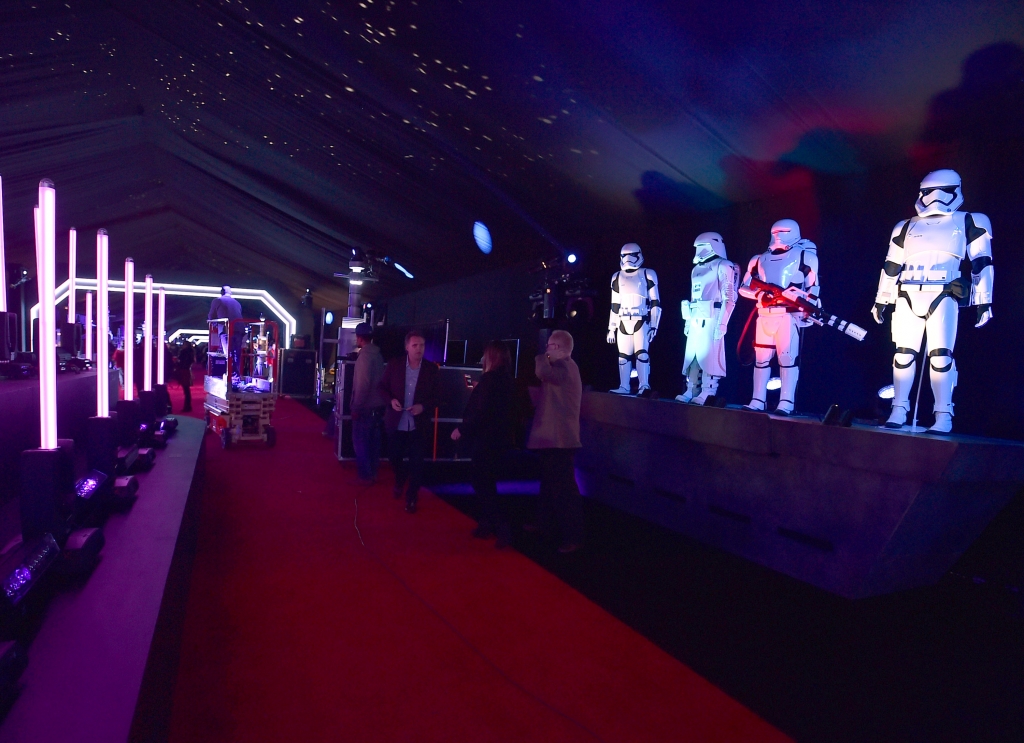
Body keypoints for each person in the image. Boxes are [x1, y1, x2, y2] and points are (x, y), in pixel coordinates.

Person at [451, 341, 516, 548]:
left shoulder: (488, 380)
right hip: (501, 440)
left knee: (482, 483)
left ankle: (501, 527)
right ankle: (487, 524)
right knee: (487, 482)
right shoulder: (507, 380)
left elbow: (480, 412)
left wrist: (462, 429)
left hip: (486, 440)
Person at [527, 330, 584, 553]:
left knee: (563, 490)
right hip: (558, 438)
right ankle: (545, 525)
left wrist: (540, 357)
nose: (547, 349)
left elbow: (542, 371)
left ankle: (573, 537)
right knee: (551, 486)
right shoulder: (567, 368)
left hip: (560, 439)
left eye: (550, 346)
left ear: (559, 348)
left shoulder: (565, 367)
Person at [380, 330, 440, 513]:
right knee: (394, 457)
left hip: (418, 424)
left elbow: (438, 396)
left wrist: (423, 407)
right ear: (407, 347)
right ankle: (399, 479)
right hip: (396, 421)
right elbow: (381, 387)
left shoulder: (431, 369)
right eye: (415, 345)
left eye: (422, 345)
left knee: (417, 463)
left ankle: (412, 497)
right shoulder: (395, 365)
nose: (419, 349)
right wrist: (391, 401)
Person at [351, 323, 386, 484]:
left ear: (359, 338)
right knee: (374, 443)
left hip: (365, 408)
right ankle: (373, 473)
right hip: (378, 406)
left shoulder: (364, 357)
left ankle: (365, 476)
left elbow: (362, 385)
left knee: (361, 442)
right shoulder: (378, 355)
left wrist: (356, 407)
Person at [208, 285, 243, 371]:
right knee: (237, 353)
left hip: (226, 329)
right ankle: (236, 374)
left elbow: (211, 316)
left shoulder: (217, 301)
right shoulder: (237, 302)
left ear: (221, 292)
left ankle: (230, 374)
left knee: (228, 353)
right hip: (239, 329)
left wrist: (216, 325)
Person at [176, 340, 195, 412]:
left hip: (184, 371)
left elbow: (182, 361)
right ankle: (188, 405)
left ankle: (187, 406)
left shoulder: (184, 352)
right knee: (186, 389)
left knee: (186, 389)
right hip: (187, 370)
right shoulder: (190, 352)